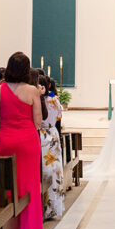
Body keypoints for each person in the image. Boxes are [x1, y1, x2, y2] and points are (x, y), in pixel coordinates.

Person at [0, 52, 44, 229]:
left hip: (6, 140)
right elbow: (38, 121)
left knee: (7, 185)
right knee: (29, 186)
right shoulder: (32, 91)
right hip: (27, 142)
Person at [40, 74, 65, 218]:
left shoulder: (39, 100)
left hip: (42, 135)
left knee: (45, 169)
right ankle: (53, 206)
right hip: (53, 133)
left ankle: (46, 206)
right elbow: (59, 116)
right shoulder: (54, 99)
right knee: (54, 170)